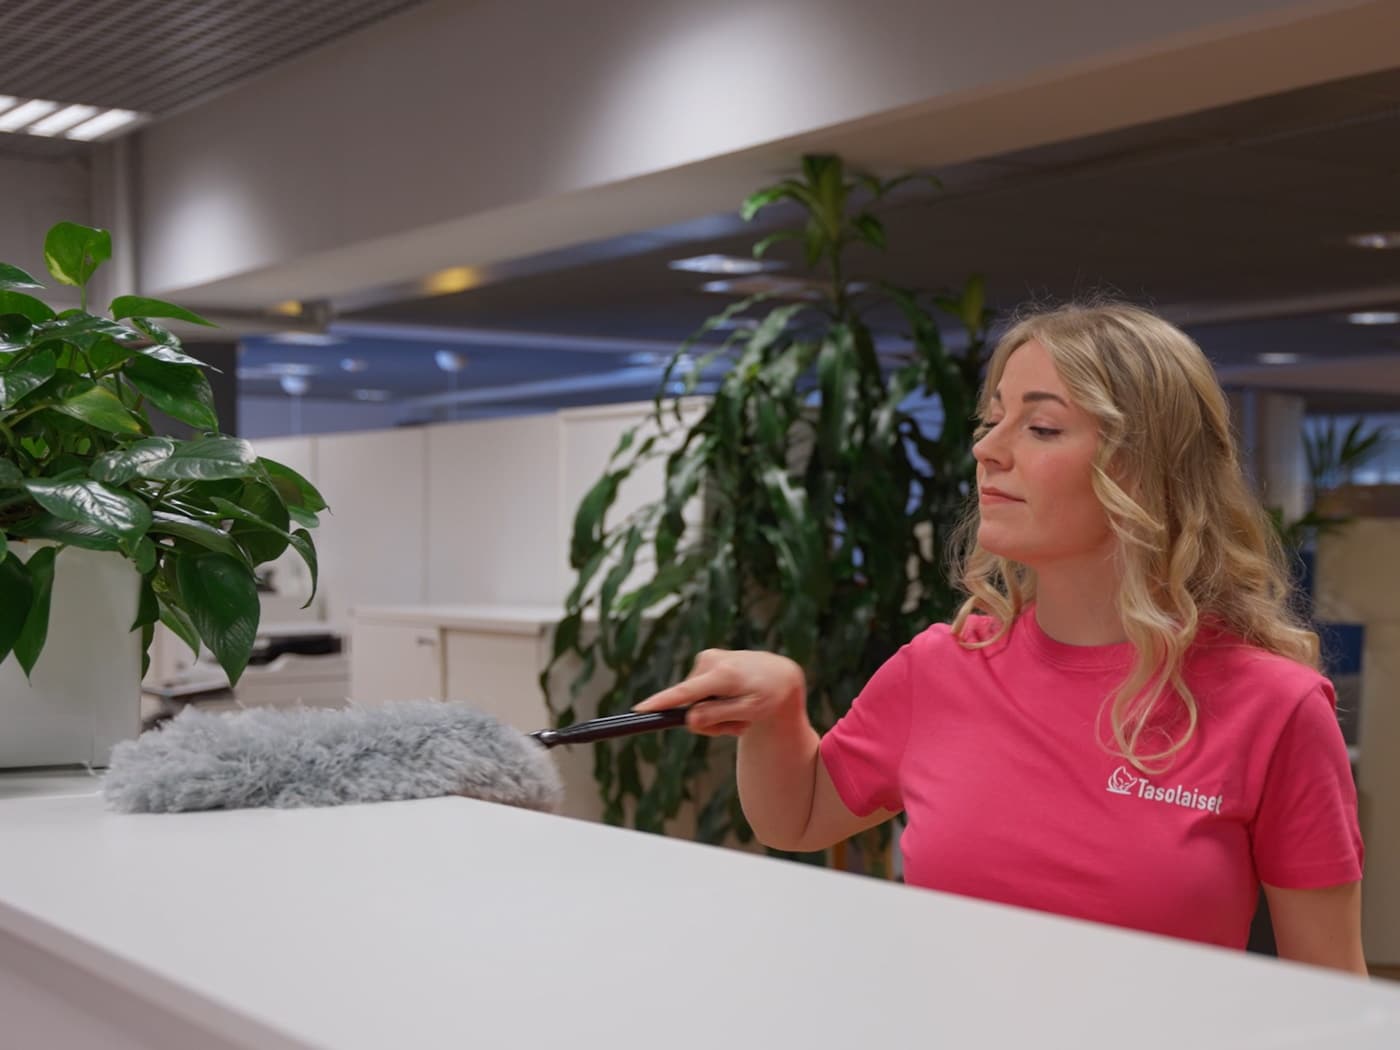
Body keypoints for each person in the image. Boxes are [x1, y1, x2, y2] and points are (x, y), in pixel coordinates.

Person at [633, 303, 1367, 975]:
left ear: (1145, 468)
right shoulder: (940, 667)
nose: (988, 448)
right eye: (992, 420)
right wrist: (777, 715)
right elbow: (797, 818)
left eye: (1041, 427)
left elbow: (1331, 989)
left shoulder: (1274, 706)